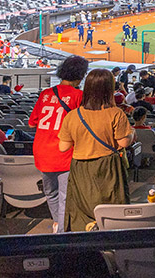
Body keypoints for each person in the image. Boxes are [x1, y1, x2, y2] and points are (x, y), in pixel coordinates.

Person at [57, 69, 133, 231]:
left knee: (81, 215)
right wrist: (132, 134)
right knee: (113, 212)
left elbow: (63, 147)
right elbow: (124, 142)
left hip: (80, 170)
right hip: (109, 169)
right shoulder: (116, 114)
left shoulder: (72, 115)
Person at [30, 55, 89, 233]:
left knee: (51, 193)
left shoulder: (45, 94)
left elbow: (32, 122)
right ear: (80, 75)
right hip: (64, 152)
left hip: (42, 150)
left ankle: (58, 224)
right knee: (64, 195)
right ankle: (62, 233)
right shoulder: (79, 96)